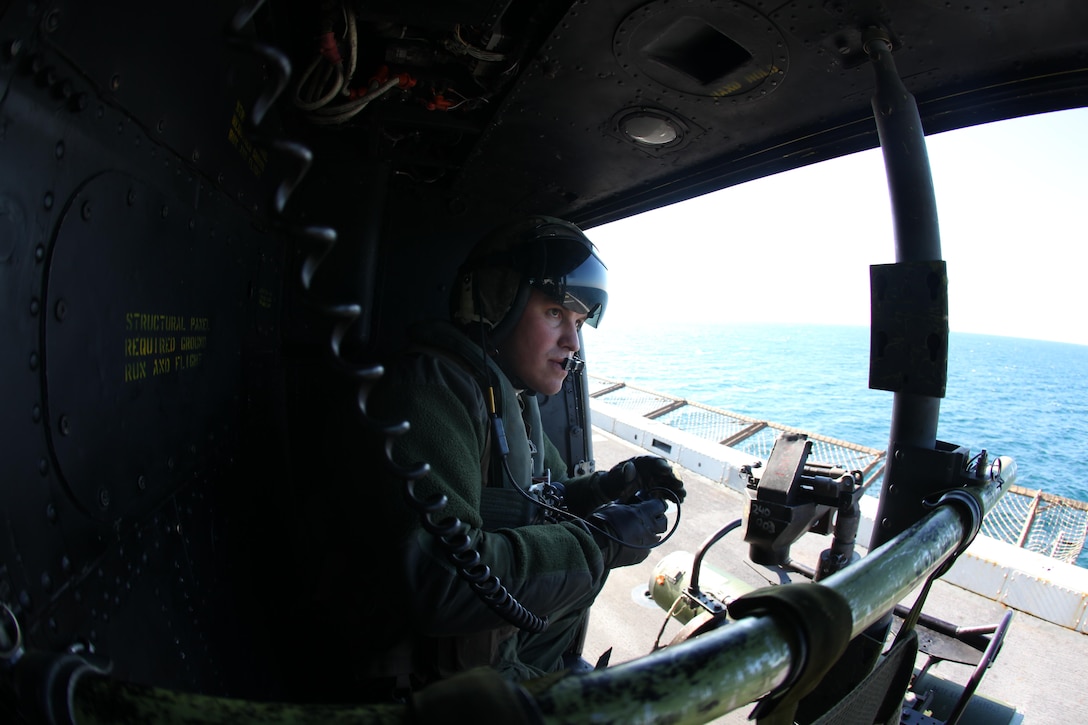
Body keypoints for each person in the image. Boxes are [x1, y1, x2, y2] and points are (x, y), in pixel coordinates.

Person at [359, 215, 686, 696]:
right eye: (556, 313)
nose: (573, 343)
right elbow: (441, 578)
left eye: (578, 323)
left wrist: (611, 485)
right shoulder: (431, 392)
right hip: (444, 693)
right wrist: (602, 542)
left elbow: (543, 495)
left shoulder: (513, 398)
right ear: (494, 304)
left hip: (508, 659)